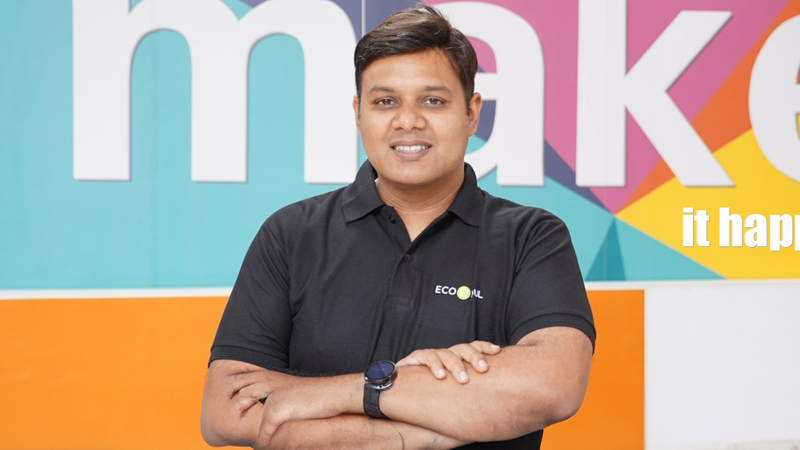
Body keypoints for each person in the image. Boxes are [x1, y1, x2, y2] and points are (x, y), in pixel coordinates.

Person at [201, 4, 595, 449]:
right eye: (385, 101)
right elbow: (225, 411)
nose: (408, 121)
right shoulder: (291, 234)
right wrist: (417, 431)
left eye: (433, 101)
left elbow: (553, 385)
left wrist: (348, 392)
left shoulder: (532, 237)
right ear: (358, 113)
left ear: (472, 113)